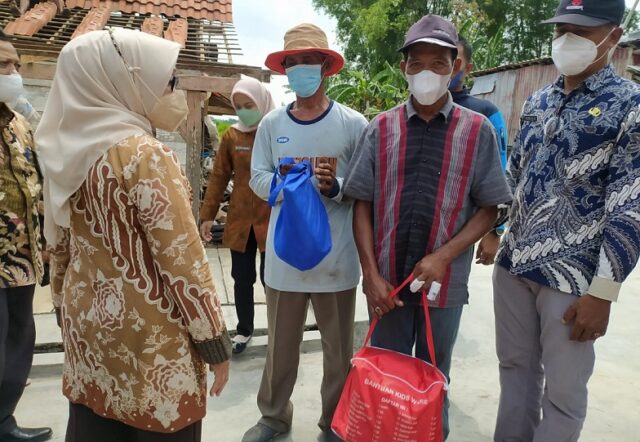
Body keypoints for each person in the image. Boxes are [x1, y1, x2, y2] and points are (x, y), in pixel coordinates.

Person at [36, 28, 231, 442]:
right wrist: (214, 343)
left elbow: (61, 248)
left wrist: (62, 311)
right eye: (169, 80)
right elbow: (183, 262)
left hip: (90, 332)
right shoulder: (144, 155)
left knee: (96, 425)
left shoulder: (68, 152)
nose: (173, 90)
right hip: (152, 342)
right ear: (125, 81)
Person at [343, 15, 512, 440]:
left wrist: (443, 257)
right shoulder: (380, 128)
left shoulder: (477, 132)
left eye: (439, 63)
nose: (427, 73)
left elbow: (490, 207)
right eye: (417, 63)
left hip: (445, 285)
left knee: (434, 379)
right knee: (383, 378)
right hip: (388, 285)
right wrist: (370, 275)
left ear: (456, 67)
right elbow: (361, 202)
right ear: (404, 68)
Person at [493, 1, 640, 441]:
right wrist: (494, 232)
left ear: (613, 36)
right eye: (561, 29)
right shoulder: (539, 100)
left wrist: (604, 292)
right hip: (514, 266)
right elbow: (514, 174)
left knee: (563, 394)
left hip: (572, 278)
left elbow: (630, 204)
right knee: (515, 372)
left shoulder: (630, 108)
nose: (566, 40)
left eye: (581, 31)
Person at [242, 23, 367, 442]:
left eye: (307, 61)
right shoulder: (271, 124)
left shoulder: (352, 124)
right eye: (291, 63)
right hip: (283, 259)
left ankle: (334, 421)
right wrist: (280, 185)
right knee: (280, 348)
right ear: (284, 71)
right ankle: (274, 417)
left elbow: (367, 187)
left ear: (326, 67)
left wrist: (336, 187)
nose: (299, 70)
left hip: (337, 259)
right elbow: (256, 176)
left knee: (338, 352)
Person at [0, 30, 52, 442]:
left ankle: (4, 422)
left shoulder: (19, 122)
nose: (13, 72)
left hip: (20, 259)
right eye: (4, 65)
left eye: (16, 64)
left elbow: (35, 183)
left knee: (19, 340)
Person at [200, 77, 275, 354]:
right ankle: (244, 331)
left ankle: (280, 331)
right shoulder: (233, 136)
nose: (244, 111)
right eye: (239, 106)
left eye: (249, 105)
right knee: (242, 278)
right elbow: (219, 177)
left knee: (273, 280)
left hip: (274, 219)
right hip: (241, 219)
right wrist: (207, 215)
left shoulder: (276, 129)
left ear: (262, 102)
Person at [450, 35, 509, 266]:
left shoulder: (484, 114)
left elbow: (501, 173)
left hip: (464, 230)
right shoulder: (413, 112)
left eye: (456, 60)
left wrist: (495, 230)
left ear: (468, 68)